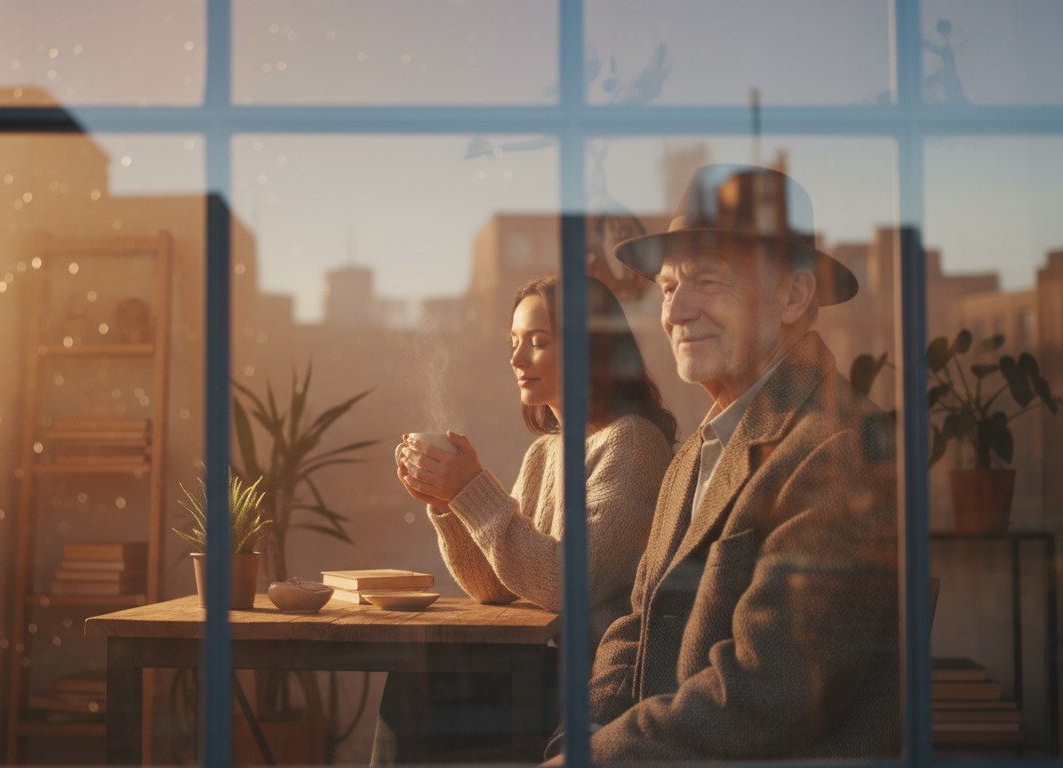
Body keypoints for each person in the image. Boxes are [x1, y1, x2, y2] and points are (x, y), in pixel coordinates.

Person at [544, 164, 900, 763]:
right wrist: (573, 744)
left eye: (706, 281)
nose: (675, 313)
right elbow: (634, 632)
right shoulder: (695, 452)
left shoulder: (843, 448)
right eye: (665, 288)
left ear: (793, 295)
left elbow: (765, 694)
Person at [373, 274, 678, 763]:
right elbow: (496, 587)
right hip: (541, 663)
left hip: (594, 680)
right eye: (514, 343)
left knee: (419, 682)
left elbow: (563, 582)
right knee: (416, 672)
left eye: (537, 343)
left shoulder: (633, 445)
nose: (516, 359)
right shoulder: (545, 454)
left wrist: (471, 490)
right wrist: (447, 503)